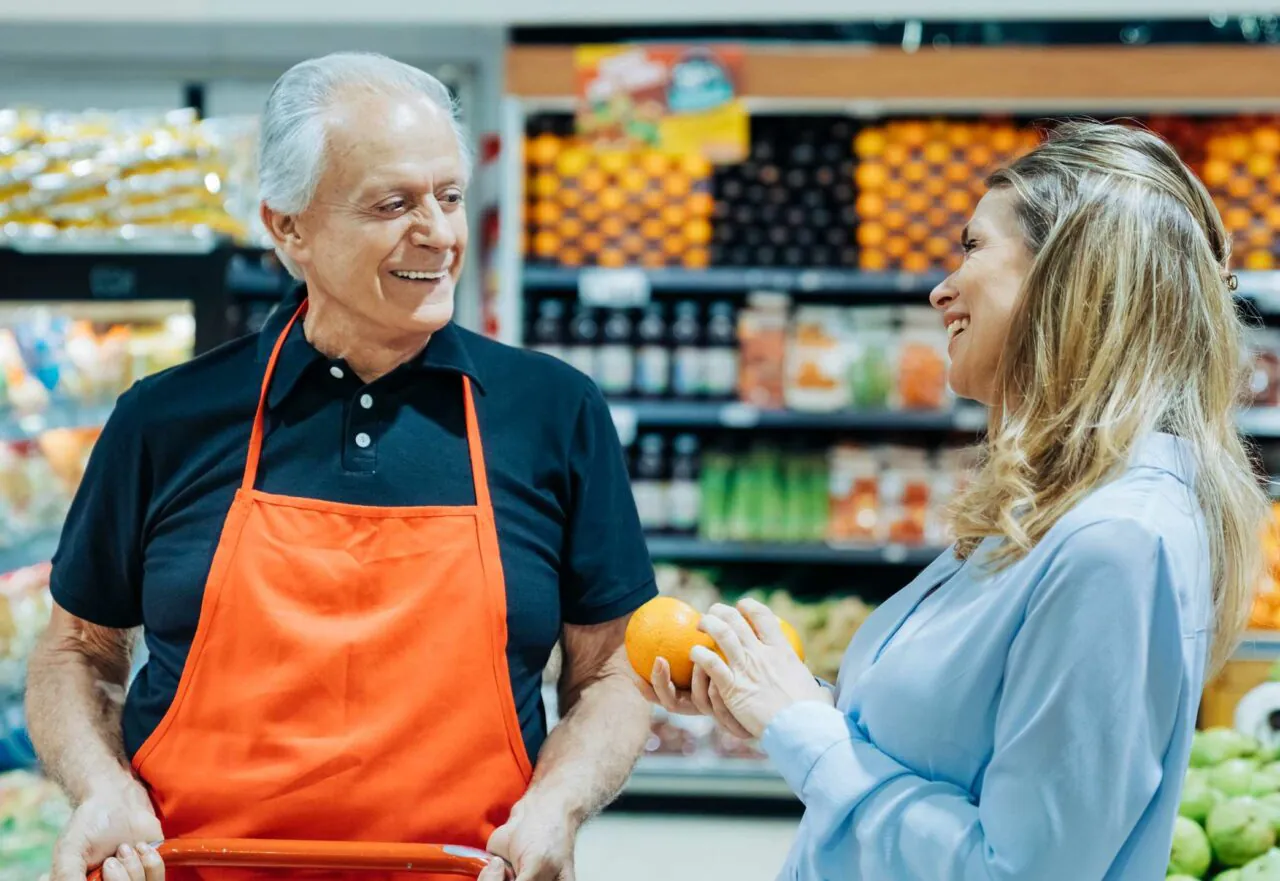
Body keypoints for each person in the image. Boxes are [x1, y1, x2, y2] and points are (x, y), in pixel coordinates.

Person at [27, 52, 656, 881]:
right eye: (393, 203)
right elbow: (76, 649)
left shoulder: (553, 412)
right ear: (288, 228)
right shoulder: (165, 418)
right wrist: (99, 787)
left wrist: (557, 804)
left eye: (450, 195)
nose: (437, 232)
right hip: (194, 867)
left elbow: (612, 667)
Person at [642, 121, 1268, 880]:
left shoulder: (1119, 541)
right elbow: (946, 746)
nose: (941, 287)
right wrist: (782, 700)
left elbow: (1022, 871)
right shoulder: (1051, 505)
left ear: (1068, 282)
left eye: (973, 248)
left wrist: (804, 730)